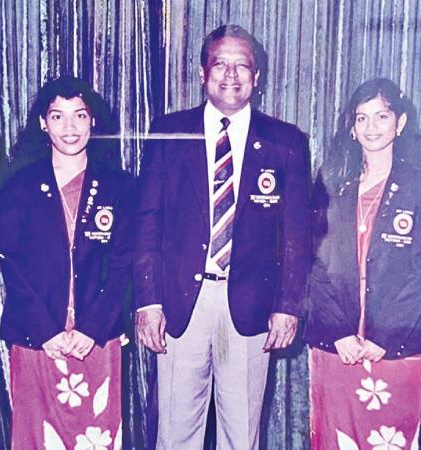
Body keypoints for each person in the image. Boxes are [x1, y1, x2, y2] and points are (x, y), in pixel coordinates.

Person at [133, 24, 311, 450]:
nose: (231, 75)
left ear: (257, 76)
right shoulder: (168, 131)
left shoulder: (286, 141)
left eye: (242, 65)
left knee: (241, 433)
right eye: (220, 64)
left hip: (251, 308)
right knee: (176, 432)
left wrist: (287, 306)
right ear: (201, 72)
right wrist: (147, 300)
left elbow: (297, 235)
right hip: (180, 304)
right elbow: (146, 222)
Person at [304, 78, 421, 449]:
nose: (371, 127)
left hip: (394, 346)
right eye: (361, 118)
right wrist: (338, 331)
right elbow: (313, 263)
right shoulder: (332, 182)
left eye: (381, 116)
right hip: (338, 344)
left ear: (400, 123)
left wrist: (384, 337)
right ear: (351, 127)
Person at [0, 76, 133, 449]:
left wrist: (90, 329)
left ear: (94, 121)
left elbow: (122, 265)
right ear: (43, 123)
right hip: (37, 334)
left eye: (79, 116)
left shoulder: (119, 186)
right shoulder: (17, 185)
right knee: (37, 437)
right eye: (58, 117)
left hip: (97, 336)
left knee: (97, 435)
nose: (69, 128)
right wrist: (47, 331)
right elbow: (12, 265)